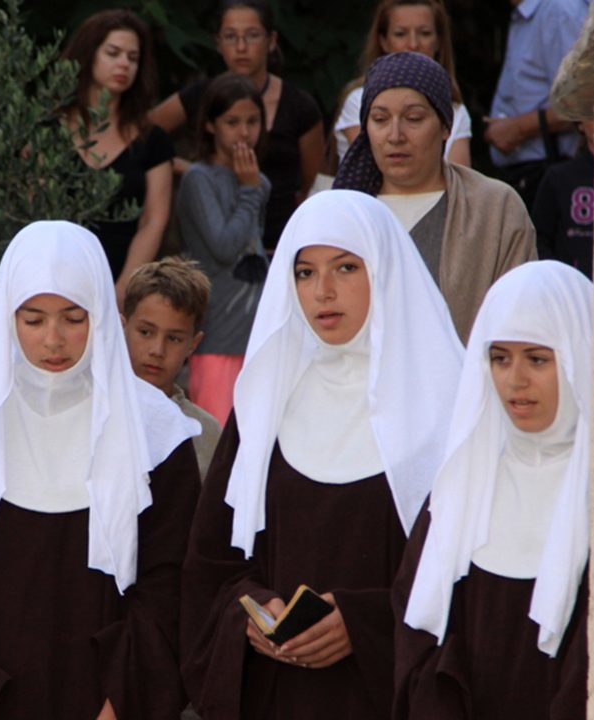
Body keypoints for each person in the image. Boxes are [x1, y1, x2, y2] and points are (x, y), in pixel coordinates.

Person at [0, 221, 201, 719]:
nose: (53, 340)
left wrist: (121, 703)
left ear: (101, 316)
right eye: (33, 319)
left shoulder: (155, 435)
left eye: (73, 317)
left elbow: (170, 589)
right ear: (7, 316)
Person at [181, 190, 463, 719]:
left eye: (345, 267)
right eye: (305, 273)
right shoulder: (266, 402)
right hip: (279, 696)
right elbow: (213, 564)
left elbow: (470, 586)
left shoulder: (445, 408)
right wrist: (252, 611)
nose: (323, 291)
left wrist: (365, 622)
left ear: (383, 269)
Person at [393, 261, 592, 719]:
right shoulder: (461, 485)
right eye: (500, 358)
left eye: (537, 359)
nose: (515, 379)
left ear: (580, 358)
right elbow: (419, 637)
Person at [333, 51, 536, 341]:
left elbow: (521, 321)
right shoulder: (343, 215)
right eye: (380, 119)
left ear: (445, 127)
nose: (395, 135)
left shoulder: (494, 208)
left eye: (413, 118)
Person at [151, 0, 324, 251]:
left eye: (252, 35)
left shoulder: (300, 106)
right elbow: (142, 134)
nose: (241, 47)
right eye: (231, 37)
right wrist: (186, 168)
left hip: (282, 245)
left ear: (271, 41)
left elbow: (314, 186)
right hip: (217, 245)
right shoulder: (200, 96)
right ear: (217, 42)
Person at [175, 72, 271, 426]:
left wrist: (252, 188)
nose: (244, 132)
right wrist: (249, 191)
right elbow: (224, 247)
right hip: (216, 336)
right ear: (211, 125)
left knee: (254, 433)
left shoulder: (259, 182)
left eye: (252, 121)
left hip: (255, 334)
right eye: (232, 122)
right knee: (217, 434)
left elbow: (252, 248)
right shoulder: (199, 179)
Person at [60, 10, 173, 303]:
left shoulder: (153, 140)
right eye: (113, 53)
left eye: (133, 58)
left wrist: (122, 290)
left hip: (123, 282)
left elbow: (153, 220)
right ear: (89, 54)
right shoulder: (47, 132)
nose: (124, 63)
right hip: (55, 278)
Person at [334, 0, 472, 168]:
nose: (413, 44)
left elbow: (458, 179)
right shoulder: (360, 100)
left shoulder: (456, 110)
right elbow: (378, 171)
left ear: (438, 41)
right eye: (400, 34)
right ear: (384, 41)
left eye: (425, 33)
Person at [484, 0, 590, 210]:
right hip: (524, 176)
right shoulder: (525, 15)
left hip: (548, 173)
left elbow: (582, 102)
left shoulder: (558, 11)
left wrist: (519, 128)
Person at [121, 256, 222, 478]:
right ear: (123, 327)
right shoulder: (93, 408)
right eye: (145, 332)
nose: (157, 350)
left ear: (193, 344)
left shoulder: (205, 432)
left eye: (174, 338)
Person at [532, 120, 594, 278]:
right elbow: (538, 238)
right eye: (592, 115)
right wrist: (558, 278)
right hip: (571, 285)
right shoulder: (560, 177)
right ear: (580, 123)